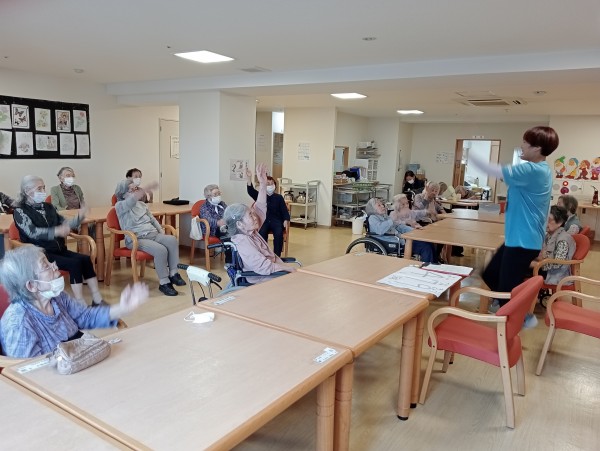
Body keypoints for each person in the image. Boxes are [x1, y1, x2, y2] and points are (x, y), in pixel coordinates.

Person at [469, 126, 559, 328]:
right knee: (490, 274)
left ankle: (520, 319)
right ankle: (512, 311)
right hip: (519, 239)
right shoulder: (540, 171)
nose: (522, 146)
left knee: (505, 287)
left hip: (523, 241)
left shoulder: (533, 170)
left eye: (526, 143)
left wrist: (471, 155)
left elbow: (495, 171)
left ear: (537, 148)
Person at [0, 246, 148, 358]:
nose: (55, 265)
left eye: (49, 261)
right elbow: (29, 370)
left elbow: (85, 316)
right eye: (46, 266)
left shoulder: (58, 298)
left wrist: (123, 308)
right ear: (32, 285)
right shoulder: (18, 322)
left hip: (78, 357)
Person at [13, 175, 105, 306]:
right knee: (75, 264)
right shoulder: (20, 211)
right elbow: (32, 232)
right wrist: (55, 231)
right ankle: (80, 304)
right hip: (41, 254)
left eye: (44, 187)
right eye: (39, 188)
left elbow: (65, 223)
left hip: (58, 249)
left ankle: (97, 299)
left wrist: (80, 216)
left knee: (85, 259)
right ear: (27, 191)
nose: (43, 191)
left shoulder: (48, 207)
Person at [223, 163, 295, 284]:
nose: (255, 217)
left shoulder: (250, 232)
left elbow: (260, 207)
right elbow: (263, 267)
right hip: (264, 279)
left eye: (253, 213)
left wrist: (263, 183)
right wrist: (288, 269)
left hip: (275, 271)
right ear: (239, 224)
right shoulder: (243, 242)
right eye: (250, 215)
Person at [114, 179, 186, 297]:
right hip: (136, 239)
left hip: (153, 234)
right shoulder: (120, 206)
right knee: (161, 250)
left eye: (135, 189)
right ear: (122, 193)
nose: (134, 192)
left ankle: (173, 274)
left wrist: (161, 233)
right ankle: (164, 282)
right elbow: (130, 201)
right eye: (131, 190)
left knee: (172, 240)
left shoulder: (142, 205)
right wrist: (145, 190)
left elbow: (153, 220)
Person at [365, 197, 437, 263]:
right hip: (390, 242)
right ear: (372, 208)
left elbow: (398, 226)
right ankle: (428, 267)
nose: (382, 206)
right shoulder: (372, 218)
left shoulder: (385, 216)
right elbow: (380, 230)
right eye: (379, 205)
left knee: (427, 242)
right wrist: (391, 220)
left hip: (399, 240)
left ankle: (434, 264)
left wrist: (413, 230)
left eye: (382, 204)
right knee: (425, 247)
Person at [246, 169, 290, 256]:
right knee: (262, 233)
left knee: (279, 234)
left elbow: (284, 211)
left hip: (276, 221)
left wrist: (286, 219)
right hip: (264, 221)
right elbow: (250, 191)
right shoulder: (260, 196)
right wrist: (249, 178)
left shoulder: (279, 197)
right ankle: (264, 254)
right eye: (267, 184)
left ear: (275, 186)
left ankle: (277, 255)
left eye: (271, 183)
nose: (269, 185)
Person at [530, 206, 576, 285]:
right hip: (546, 269)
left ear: (559, 222)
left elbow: (557, 263)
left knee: (517, 266)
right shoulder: (549, 235)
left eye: (549, 220)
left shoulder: (563, 240)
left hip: (554, 275)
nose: (545, 223)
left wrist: (534, 264)